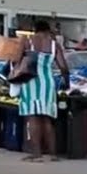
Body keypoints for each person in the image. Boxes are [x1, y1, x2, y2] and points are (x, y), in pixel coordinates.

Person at [15, 20, 70, 162]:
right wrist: (66, 82)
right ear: (48, 30)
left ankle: (37, 154)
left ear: (34, 29)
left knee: (32, 118)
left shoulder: (27, 41)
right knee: (47, 118)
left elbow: (16, 60)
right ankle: (53, 154)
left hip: (30, 81)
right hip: (47, 83)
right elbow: (63, 67)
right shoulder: (54, 44)